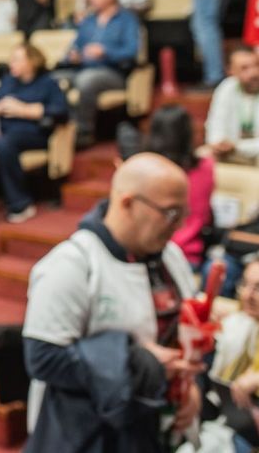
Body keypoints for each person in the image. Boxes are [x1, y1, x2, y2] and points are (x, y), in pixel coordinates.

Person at [23, 154, 200, 452]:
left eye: (183, 214)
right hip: (91, 433)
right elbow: (43, 359)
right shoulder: (72, 265)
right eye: (170, 213)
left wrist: (189, 389)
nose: (179, 226)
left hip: (155, 425)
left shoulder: (171, 258)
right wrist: (137, 363)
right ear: (127, 203)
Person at [0, 44, 68, 223]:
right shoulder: (8, 81)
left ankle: (21, 203)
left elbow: (60, 111)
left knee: (3, 144)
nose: (12, 63)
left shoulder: (47, 83)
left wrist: (23, 110)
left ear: (32, 62)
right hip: (1, 128)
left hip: (31, 132)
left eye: (17, 60)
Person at [61, 0, 140, 147]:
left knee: (87, 80)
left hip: (113, 72)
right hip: (81, 68)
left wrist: (105, 51)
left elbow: (131, 51)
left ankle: (83, 132)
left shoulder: (127, 19)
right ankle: (63, 132)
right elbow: (74, 48)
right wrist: (72, 56)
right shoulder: (88, 20)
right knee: (54, 80)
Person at [143, 105, 215, 267]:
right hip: (190, 255)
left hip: (151, 255)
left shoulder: (144, 170)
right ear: (188, 134)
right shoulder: (206, 167)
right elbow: (204, 217)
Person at [209, 259, 259, 453]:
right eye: (245, 284)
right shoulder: (239, 322)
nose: (247, 295)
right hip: (238, 423)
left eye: (258, 288)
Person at [205, 47, 259, 165]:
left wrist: (237, 146)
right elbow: (215, 125)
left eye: (256, 65)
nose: (254, 73)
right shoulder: (226, 87)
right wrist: (219, 144)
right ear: (231, 71)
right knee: (202, 155)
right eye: (245, 68)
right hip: (232, 151)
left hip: (249, 150)